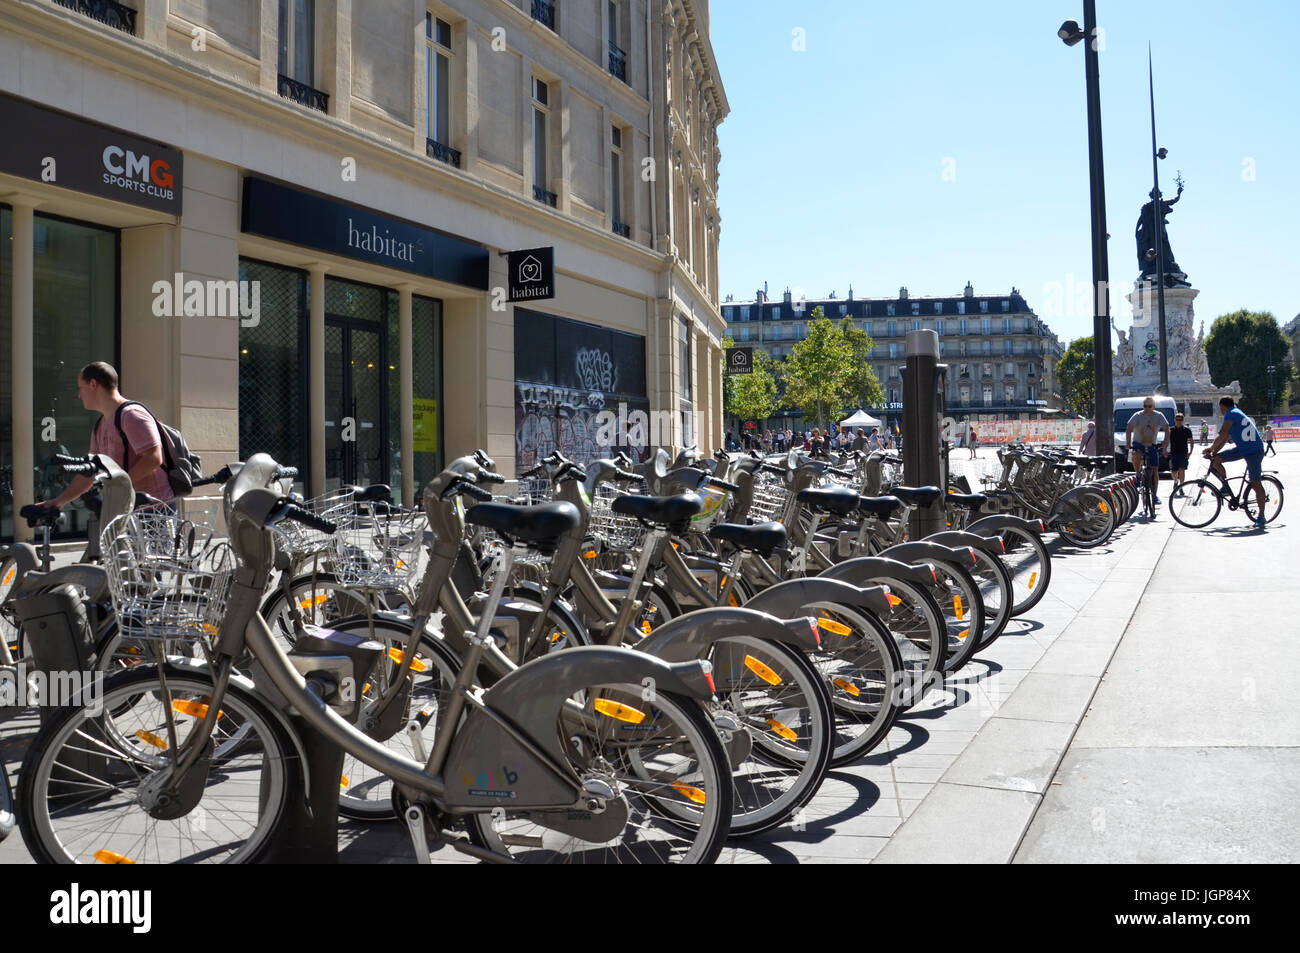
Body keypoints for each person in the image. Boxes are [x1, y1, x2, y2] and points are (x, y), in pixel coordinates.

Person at [39, 361, 176, 514]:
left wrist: (118, 487)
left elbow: (153, 458)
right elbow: (90, 472)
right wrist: (59, 501)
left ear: (93, 384)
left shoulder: (131, 415)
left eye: (80, 388)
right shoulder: (100, 425)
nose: (79, 395)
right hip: (126, 512)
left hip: (154, 512)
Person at [1203, 396, 1267, 528]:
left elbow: (1222, 434)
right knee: (1217, 459)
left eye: (1219, 408)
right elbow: (1224, 437)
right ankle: (1225, 488)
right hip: (1243, 448)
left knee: (1255, 482)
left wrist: (1210, 448)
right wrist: (1214, 452)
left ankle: (1261, 516)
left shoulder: (1231, 414)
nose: (1219, 410)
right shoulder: (1235, 412)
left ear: (1222, 406)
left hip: (1254, 451)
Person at [1124, 396, 1170, 506]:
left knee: (1155, 470)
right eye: (1145, 406)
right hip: (1138, 443)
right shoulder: (1138, 415)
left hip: (1152, 444)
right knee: (1135, 453)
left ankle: (1154, 495)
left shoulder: (1159, 416)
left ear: (1154, 406)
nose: (1147, 408)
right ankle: (1138, 474)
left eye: (1150, 406)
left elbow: (1167, 428)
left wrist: (1165, 441)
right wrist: (1128, 443)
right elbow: (1129, 429)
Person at [1168, 412, 1194, 485]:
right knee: (1174, 471)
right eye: (1177, 419)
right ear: (1174, 420)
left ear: (1183, 420)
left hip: (1183, 453)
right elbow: (1166, 440)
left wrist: (1190, 452)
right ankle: (1175, 481)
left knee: (1182, 470)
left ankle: (1181, 486)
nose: (1178, 421)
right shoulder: (1171, 430)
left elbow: (1191, 441)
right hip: (1173, 453)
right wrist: (1165, 450)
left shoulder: (1187, 430)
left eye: (1180, 419)